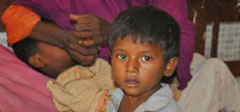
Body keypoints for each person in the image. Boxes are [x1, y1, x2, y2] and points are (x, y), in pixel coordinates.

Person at [76, 6, 192, 112]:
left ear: (168, 66)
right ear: (111, 58)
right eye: (122, 56)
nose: (131, 68)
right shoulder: (116, 100)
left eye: (146, 58)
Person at [1, 0, 195, 90]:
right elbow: (12, 14)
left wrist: (115, 34)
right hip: (97, 81)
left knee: (210, 72)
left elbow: (177, 43)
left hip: (150, 77)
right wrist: (64, 40)